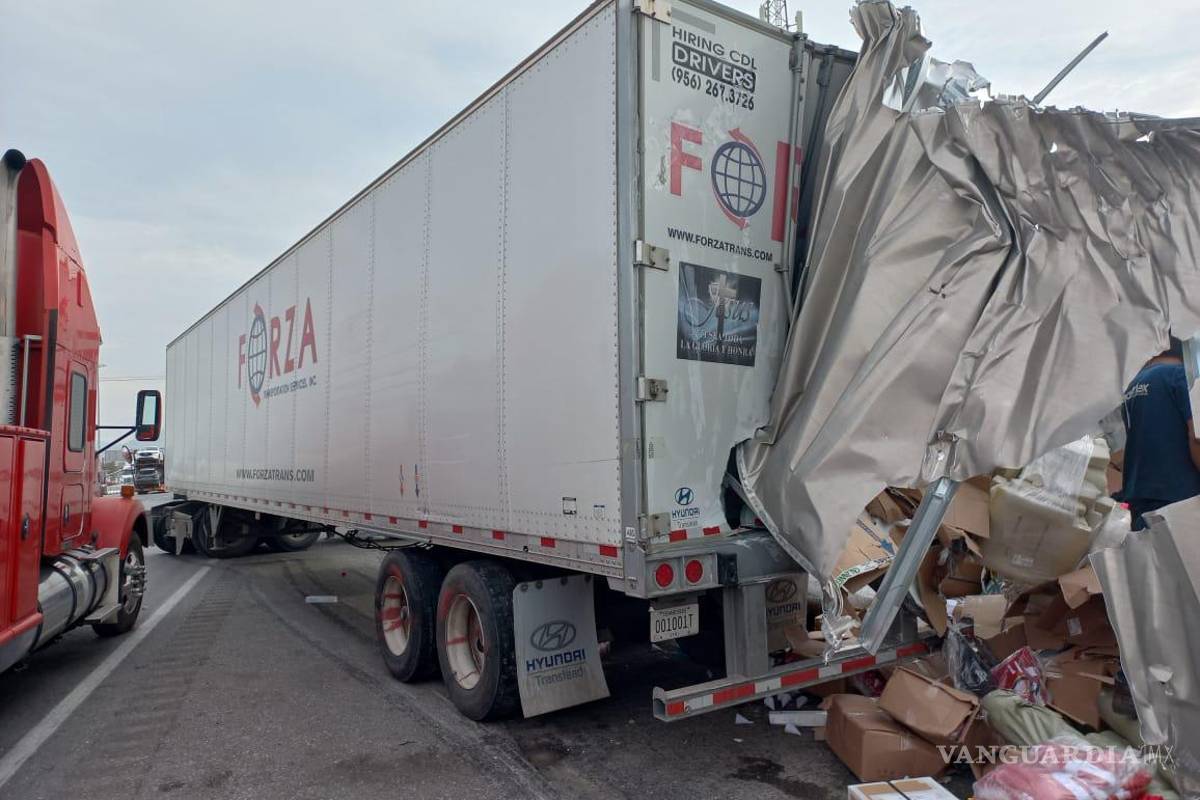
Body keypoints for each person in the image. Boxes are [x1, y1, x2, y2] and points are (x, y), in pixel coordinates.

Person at [1118, 336, 1200, 529]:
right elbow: (1196, 437)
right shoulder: (1181, 378)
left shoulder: (1130, 389)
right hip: (1180, 499)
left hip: (1138, 499)